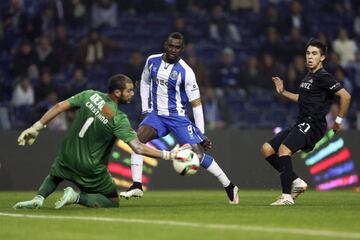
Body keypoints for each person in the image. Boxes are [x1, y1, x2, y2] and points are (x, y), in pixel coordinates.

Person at [13, 74, 188, 209]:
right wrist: (170, 154)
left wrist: (36, 126)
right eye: (129, 91)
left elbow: (59, 107)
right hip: (90, 167)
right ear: (117, 93)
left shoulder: (89, 95)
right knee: (112, 200)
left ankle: (39, 198)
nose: (132, 94)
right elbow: (138, 148)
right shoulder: (118, 118)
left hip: (67, 155)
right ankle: (76, 197)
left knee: (56, 175)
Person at [119, 32, 239, 204]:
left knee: (198, 155)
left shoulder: (187, 72)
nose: (173, 50)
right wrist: (146, 108)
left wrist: (202, 134)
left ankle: (229, 185)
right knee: (138, 140)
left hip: (178, 118)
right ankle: (137, 185)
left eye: (177, 47)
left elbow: (196, 104)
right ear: (165, 45)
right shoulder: (152, 61)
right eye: (170, 46)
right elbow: (144, 82)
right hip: (157, 116)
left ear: (182, 49)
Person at [260, 39, 351, 206]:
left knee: (284, 149)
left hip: (314, 124)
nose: (310, 57)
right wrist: (283, 92)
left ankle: (286, 196)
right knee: (267, 149)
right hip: (302, 122)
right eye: (308, 53)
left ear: (322, 57)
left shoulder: (324, 77)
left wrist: (338, 121)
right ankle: (297, 182)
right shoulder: (309, 77)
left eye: (314, 54)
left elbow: (346, 96)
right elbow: (302, 99)